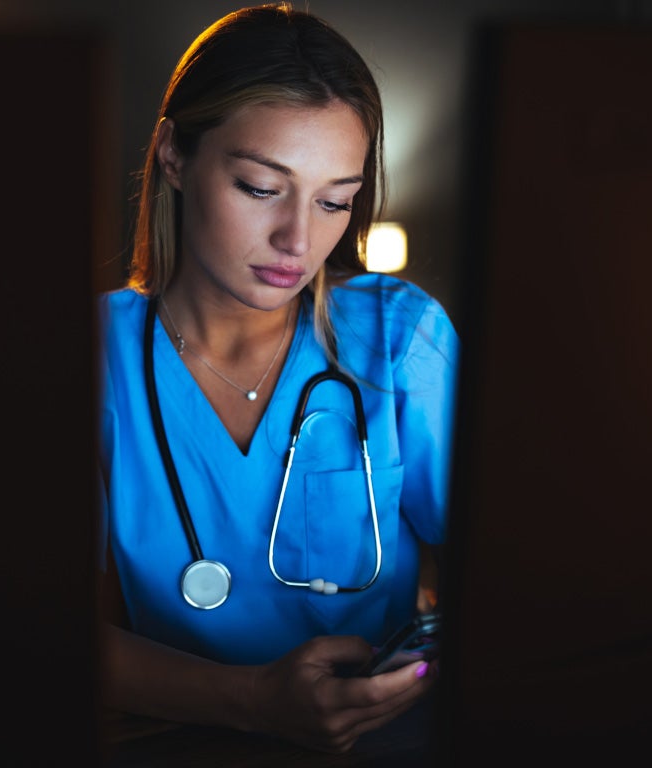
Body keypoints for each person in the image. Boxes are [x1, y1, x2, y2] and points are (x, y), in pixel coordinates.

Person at [96, 2, 459, 754]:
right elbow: (15, 628)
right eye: (262, 187)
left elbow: (521, 574)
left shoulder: (398, 340)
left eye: (335, 201)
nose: (301, 239)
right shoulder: (89, 357)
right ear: (173, 155)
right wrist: (253, 700)